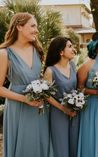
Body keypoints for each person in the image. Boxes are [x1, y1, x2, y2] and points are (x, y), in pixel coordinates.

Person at [0, 12, 52, 157]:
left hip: (38, 107)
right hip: (18, 107)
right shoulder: (4, 53)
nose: (37, 30)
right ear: (19, 27)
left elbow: (38, 77)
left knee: (40, 145)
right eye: (33, 26)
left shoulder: (37, 50)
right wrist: (24, 99)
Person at [43, 36, 79, 157]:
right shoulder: (50, 71)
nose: (73, 49)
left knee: (74, 144)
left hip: (74, 113)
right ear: (61, 52)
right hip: (58, 113)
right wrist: (63, 108)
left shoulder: (73, 66)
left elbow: (77, 88)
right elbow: (46, 95)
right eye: (69, 46)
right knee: (61, 147)